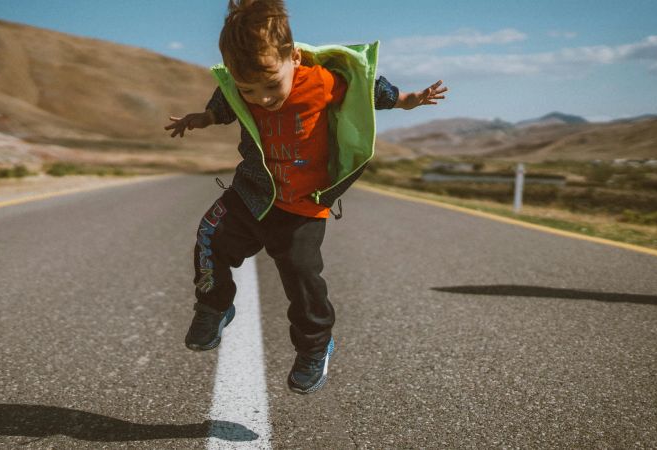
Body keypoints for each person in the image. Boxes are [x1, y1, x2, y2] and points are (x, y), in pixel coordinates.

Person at [164, 0, 447, 395]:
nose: (261, 98)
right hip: (252, 190)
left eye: (270, 85)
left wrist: (407, 99)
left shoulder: (322, 81)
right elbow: (227, 98)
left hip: (302, 204)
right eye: (249, 89)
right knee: (210, 235)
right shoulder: (241, 85)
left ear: (294, 57)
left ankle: (315, 347)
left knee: (301, 279)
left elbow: (368, 88)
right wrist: (206, 117)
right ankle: (213, 305)